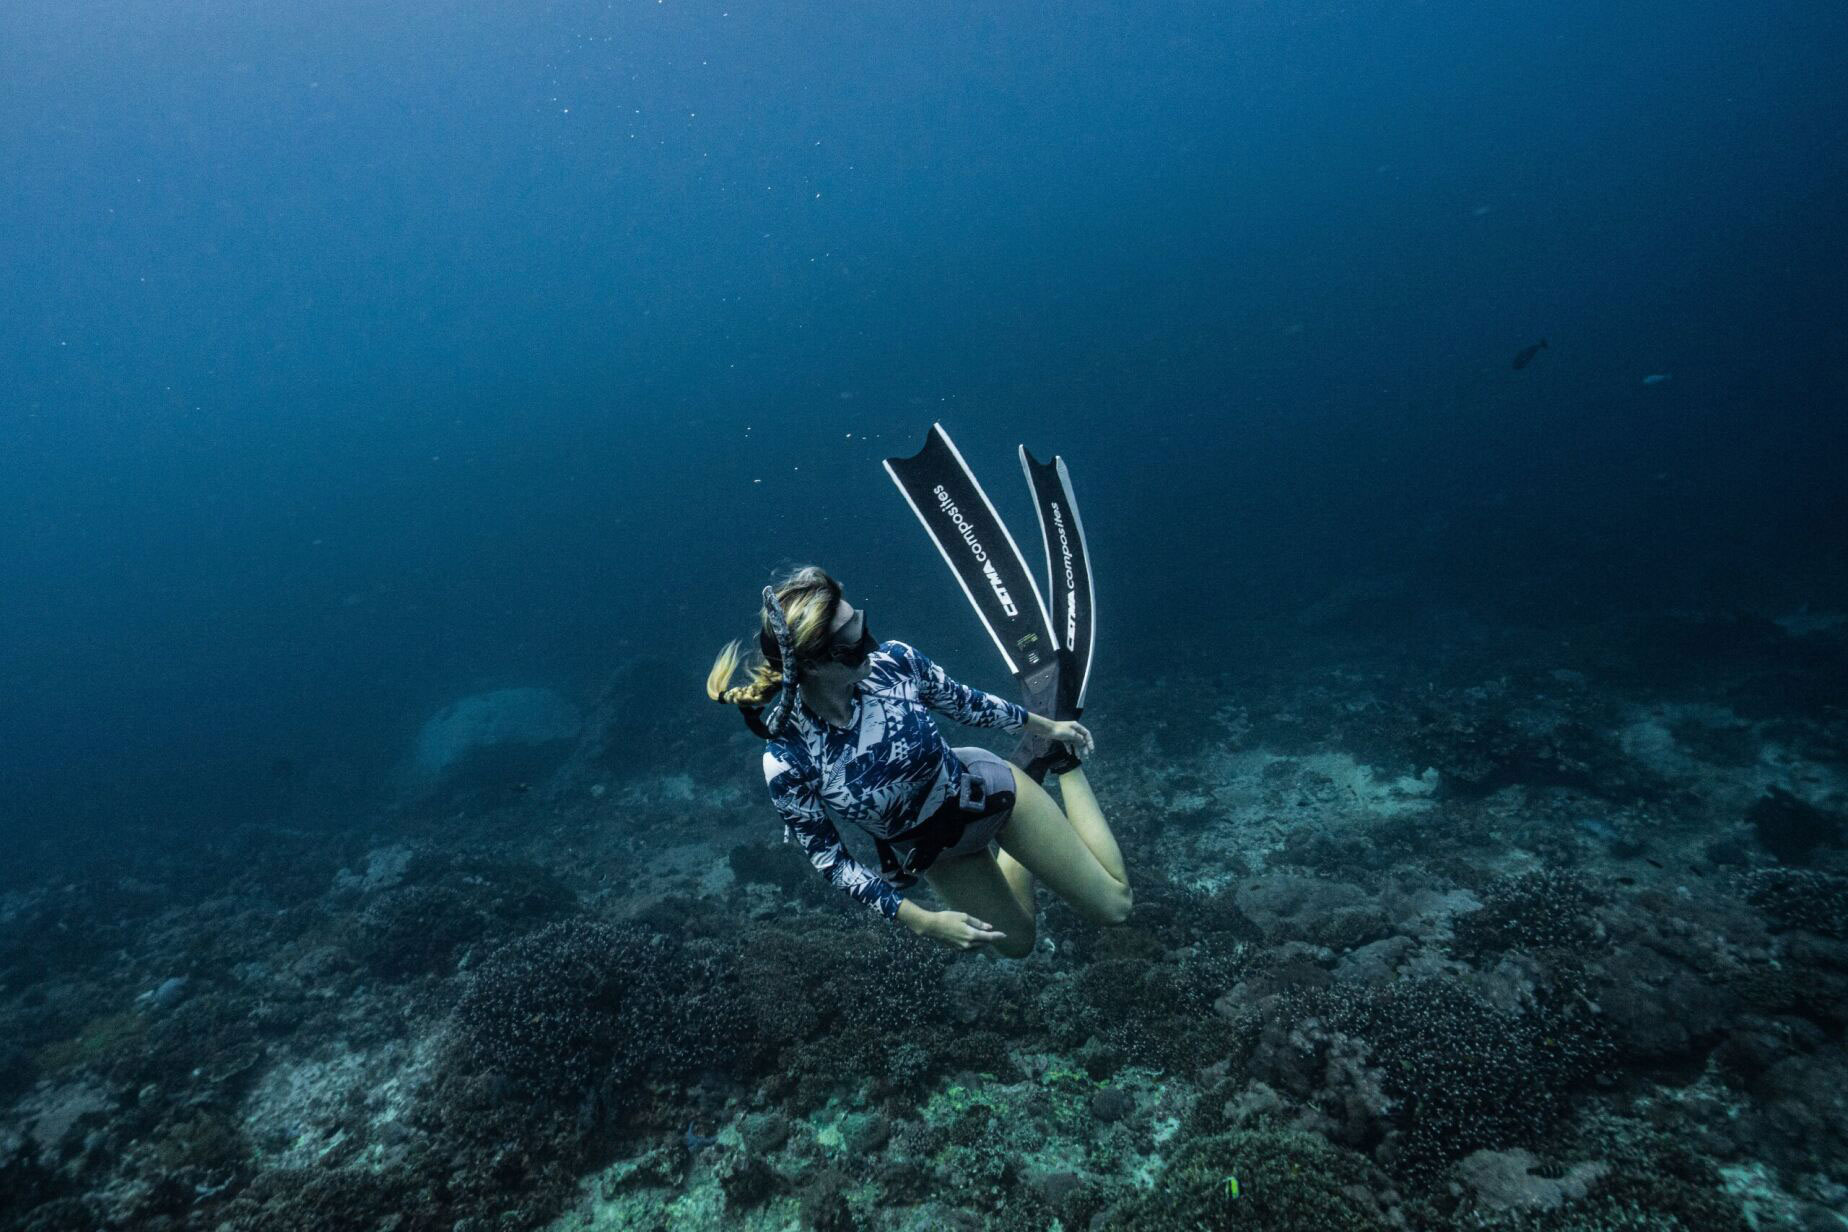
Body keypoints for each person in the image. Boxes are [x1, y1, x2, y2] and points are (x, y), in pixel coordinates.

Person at [707, 566, 1132, 956]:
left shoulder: (896, 663)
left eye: (860, 621)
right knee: (1017, 945)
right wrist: (924, 922)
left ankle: (1060, 763)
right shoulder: (787, 759)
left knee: (1114, 908)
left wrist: (1048, 728)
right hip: (936, 850)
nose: (867, 640)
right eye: (850, 637)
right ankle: (1024, 842)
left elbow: (965, 703)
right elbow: (832, 862)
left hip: (989, 791)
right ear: (815, 664)